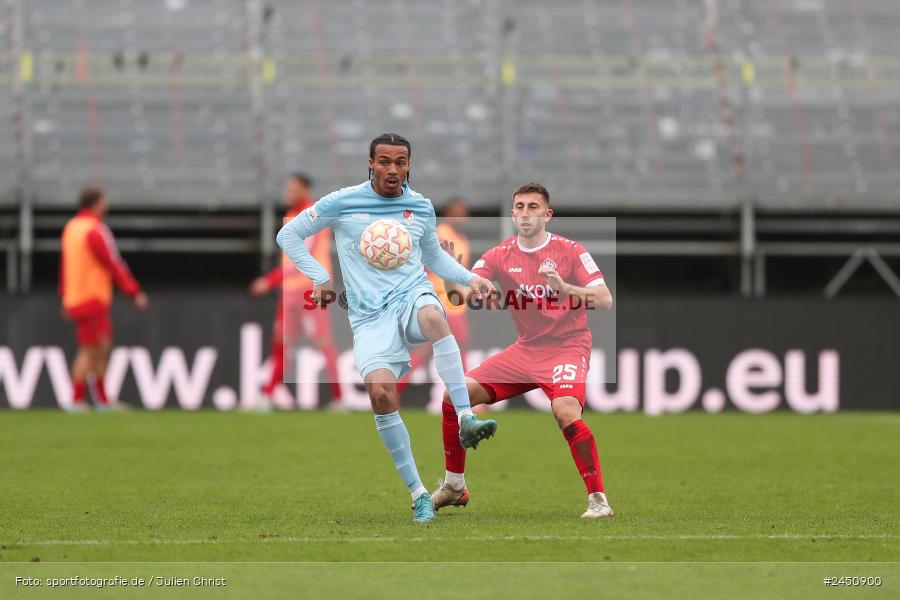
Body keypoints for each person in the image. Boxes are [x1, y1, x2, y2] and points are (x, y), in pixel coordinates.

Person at [276, 133, 498, 523]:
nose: (392, 169)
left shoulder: (420, 207)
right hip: (368, 317)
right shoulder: (343, 201)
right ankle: (419, 495)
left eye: (400, 162)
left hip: (411, 296)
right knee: (380, 395)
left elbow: (435, 259)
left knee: (435, 317)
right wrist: (319, 274)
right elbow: (288, 234)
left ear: (409, 165)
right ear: (370, 163)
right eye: (384, 161)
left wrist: (471, 277)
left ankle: (466, 417)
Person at [431, 182, 616, 518]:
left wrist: (564, 288)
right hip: (526, 350)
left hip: (567, 346)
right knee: (452, 395)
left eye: (533, 207)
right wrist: (447, 274)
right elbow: (462, 298)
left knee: (565, 412)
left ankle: (598, 500)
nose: (525, 213)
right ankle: (454, 485)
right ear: (512, 213)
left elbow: (604, 298)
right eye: (519, 206)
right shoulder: (500, 255)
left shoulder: (571, 251)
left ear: (548, 214)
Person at [249, 173, 343, 411]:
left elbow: (302, 256)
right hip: (289, 292)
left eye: (293, 189)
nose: (288, 193)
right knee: (281, 344)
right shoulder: (291, 216)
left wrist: (269, 280)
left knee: (323, 343)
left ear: (305, 189)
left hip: (311, 291)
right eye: (287, 188)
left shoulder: (313, 215)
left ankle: (339, 398)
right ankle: (267, 396)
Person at [59, 186, 148, 412]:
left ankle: (102, 400)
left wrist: (64, 295)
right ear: (97, 203)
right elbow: (113, 263)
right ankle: (77, 400)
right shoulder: (95, 230)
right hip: (91, 297)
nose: (106, 206)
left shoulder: (71, 228)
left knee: (101, 346)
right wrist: (133, 291)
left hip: (77, 297)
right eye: (104, 201)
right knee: (91, 349)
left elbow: (65, 266)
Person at [396, 197, 472, 399]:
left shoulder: (462, 239)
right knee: (460, 348)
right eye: (457, 212)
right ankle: (466, 396)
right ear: (448, 213)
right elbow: (427, 263)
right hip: (443, 302)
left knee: (424, 351)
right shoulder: (442, 234)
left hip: (455, 302)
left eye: (464, 213)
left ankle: (394, 390)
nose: (461, 217)